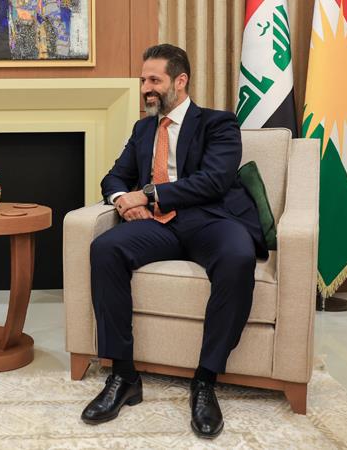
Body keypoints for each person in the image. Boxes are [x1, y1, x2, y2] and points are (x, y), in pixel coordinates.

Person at [80, 44, 267, 439]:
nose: (145, 88)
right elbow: (114, 177)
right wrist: (122, 201)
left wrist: (146, 195)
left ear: (180, 81)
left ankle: (205, 380)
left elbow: (213, 181)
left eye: (154, 80)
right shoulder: (143, 129)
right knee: (106, 248)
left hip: (211, 220)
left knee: (237, 256)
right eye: (143, 80)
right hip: (159, 226)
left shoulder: (218, 123)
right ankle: (124, 376)